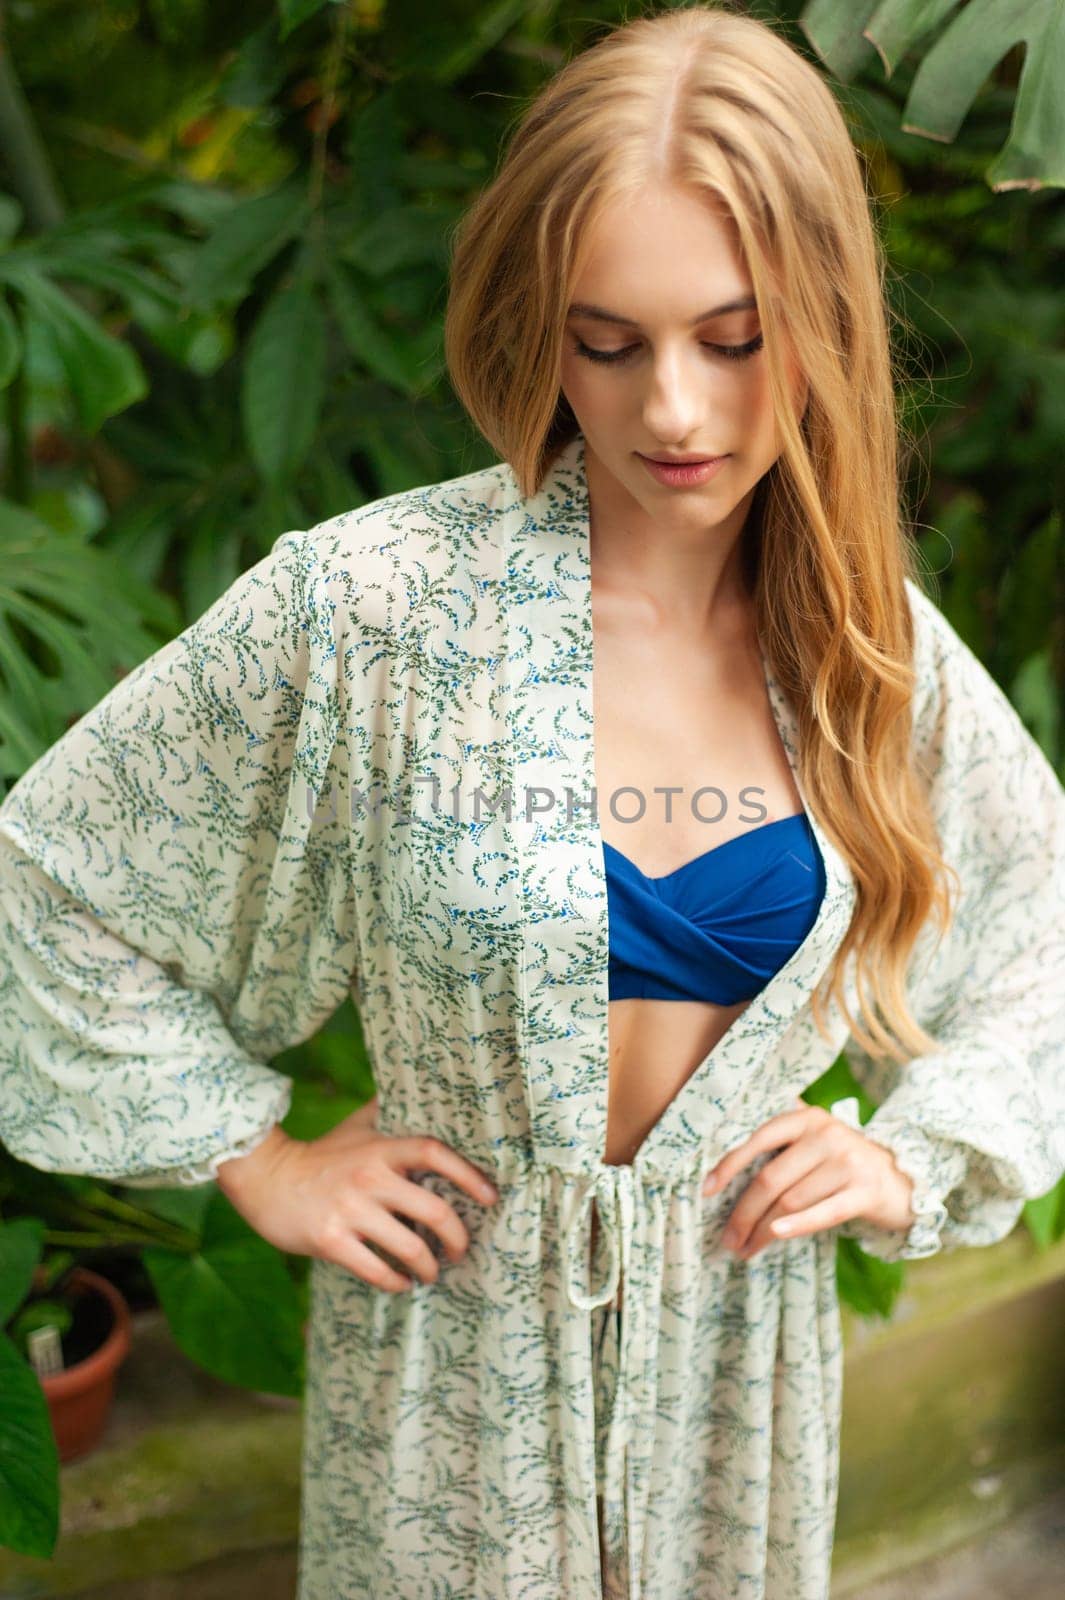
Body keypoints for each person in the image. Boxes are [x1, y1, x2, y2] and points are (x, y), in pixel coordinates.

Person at [1, 6, 1063, 1598]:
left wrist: (916, 1157)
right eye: (607, 342)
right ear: (539, 327)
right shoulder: (369, 610)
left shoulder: (868, 651)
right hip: (450, 1375)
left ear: (825, 316)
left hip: (740, 1374)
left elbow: (1041, 931)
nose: (673, 413)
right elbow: (53, 876)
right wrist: (257, 1154)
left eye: (734, 334)